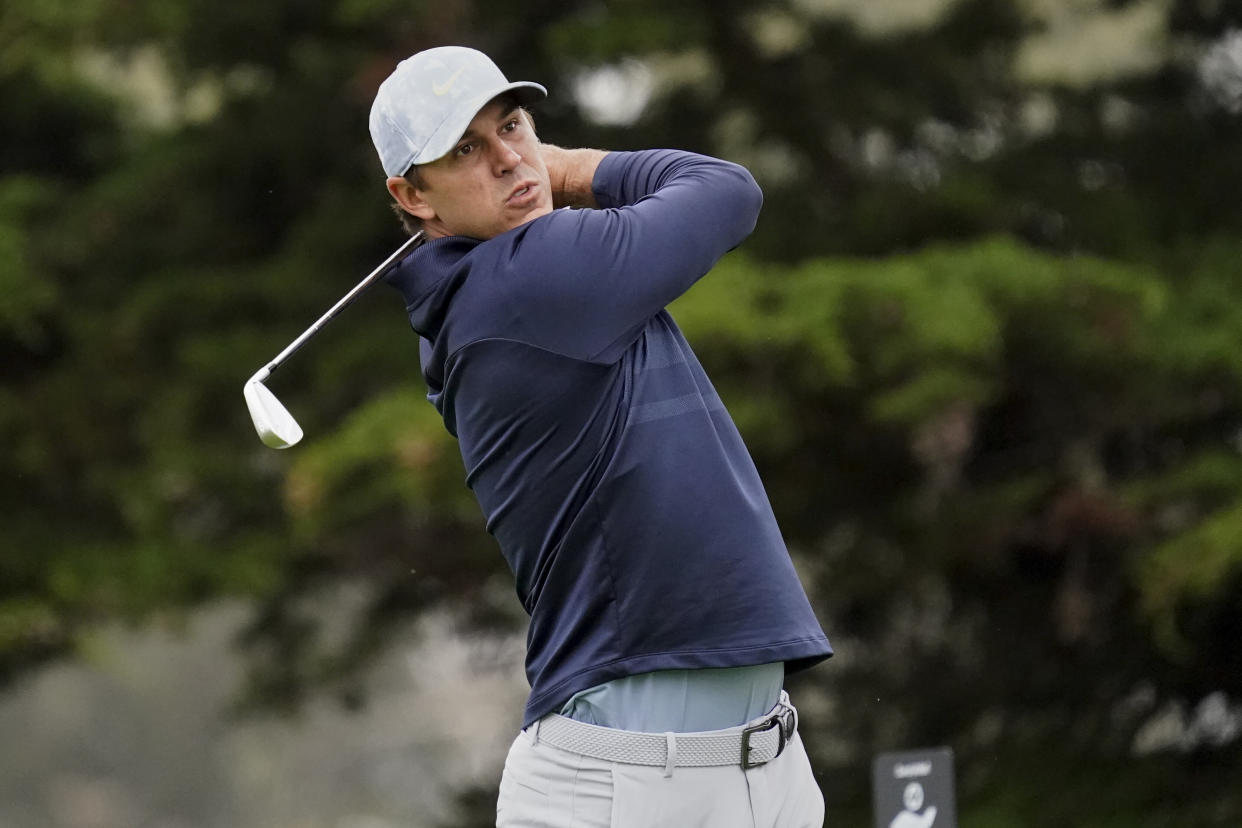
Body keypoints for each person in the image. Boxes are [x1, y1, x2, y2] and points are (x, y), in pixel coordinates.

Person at [368, 45, 832, 827]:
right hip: (625, 790)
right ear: (415, 196)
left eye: (512, 126)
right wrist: (572, 165)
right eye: (467, 150)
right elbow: (726, 190)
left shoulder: (505, 285)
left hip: (757, 771)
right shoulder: (530, 277)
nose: (511, 158)